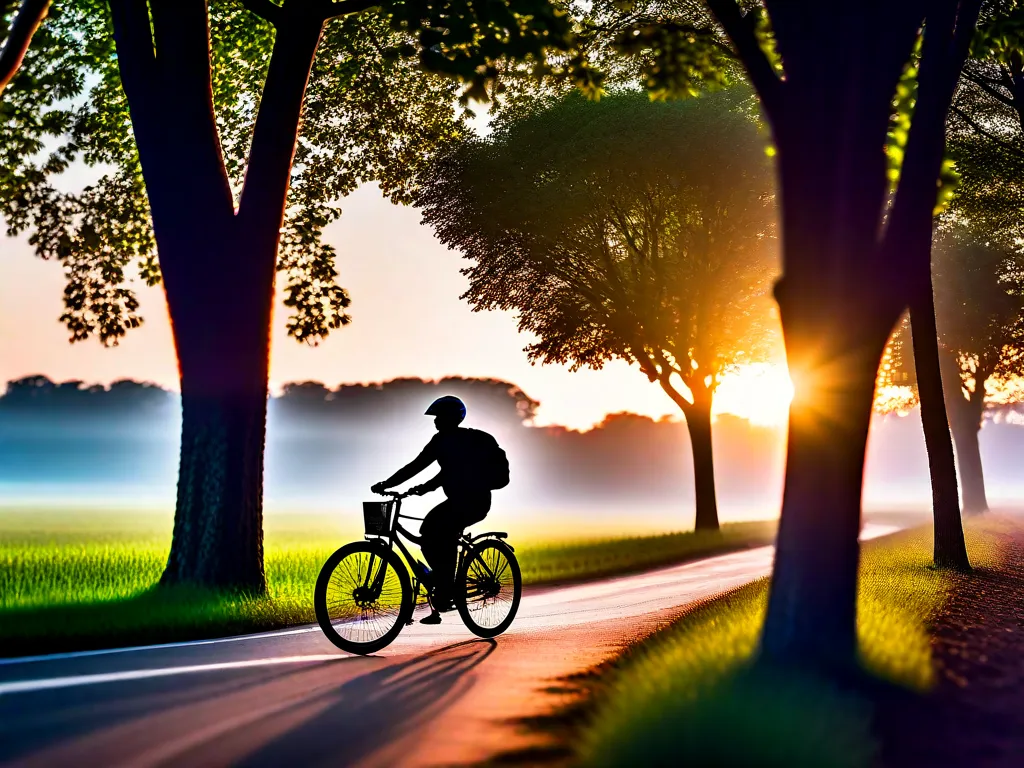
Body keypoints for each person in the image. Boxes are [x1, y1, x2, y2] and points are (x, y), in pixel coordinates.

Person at [372, 395, 508, 625]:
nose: (435, 421)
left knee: (439, 531)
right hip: (456, 501)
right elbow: (421, 467)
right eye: (435, 418)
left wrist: (388, 484)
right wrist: (408, 486)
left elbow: (434, 470)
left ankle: (446, 587)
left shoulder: (465, 441)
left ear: (453, 418)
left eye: (439, 417)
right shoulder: (441, 441)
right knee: (428, 531)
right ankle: (444, 582)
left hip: (474, 502)